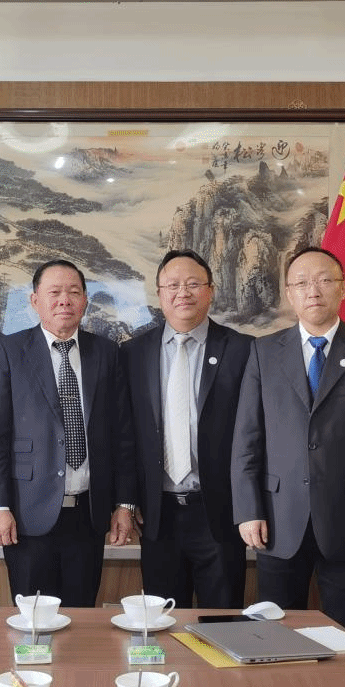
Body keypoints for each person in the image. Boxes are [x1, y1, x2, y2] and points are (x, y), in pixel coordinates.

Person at [231, 246, 345, 639]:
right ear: (289, 294)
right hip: (277, 519)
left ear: (343, 288)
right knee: (272, 634)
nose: (313, 290)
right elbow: (247, 439)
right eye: (302, 283)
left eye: (325, 280)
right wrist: (248, 510)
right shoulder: (263, 351)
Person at [0, 259, 136, 607]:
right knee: (34, 619)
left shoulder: (106, 353)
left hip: (89, 514)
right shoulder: (8, 351)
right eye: (54, 292)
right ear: (35, 301)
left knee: (81, 614)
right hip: (27, 513)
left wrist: (124, 503)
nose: (64, 300)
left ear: (85, 301)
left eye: (73, 292)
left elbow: (123, 436)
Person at [121, 249, 252, 608]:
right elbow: (125, 437)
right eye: (173, 285)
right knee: (162, 618)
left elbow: (255, 436)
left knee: (222, 620)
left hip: (220, 512)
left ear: (211, 291)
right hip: (157, 515)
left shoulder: (243, 350)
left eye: (193, 284)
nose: (183, 293)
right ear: (159, 294)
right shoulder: (133, 354)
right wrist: (127, 501)